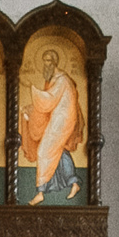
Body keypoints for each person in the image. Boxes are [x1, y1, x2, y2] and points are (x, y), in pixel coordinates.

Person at [21, 47, 85, 202]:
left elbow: (48, 100)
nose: (46, 65)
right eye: (44, 62)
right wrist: (31, 109)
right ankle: (73, 182)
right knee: (59, 150)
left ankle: (40, 193)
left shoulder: (62, 79)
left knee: (43, 151)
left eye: (48, 61)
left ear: (54, 62)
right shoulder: (54, 79)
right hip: (58, 118)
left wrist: (31, 87)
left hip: (63, 120)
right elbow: (48, 104)